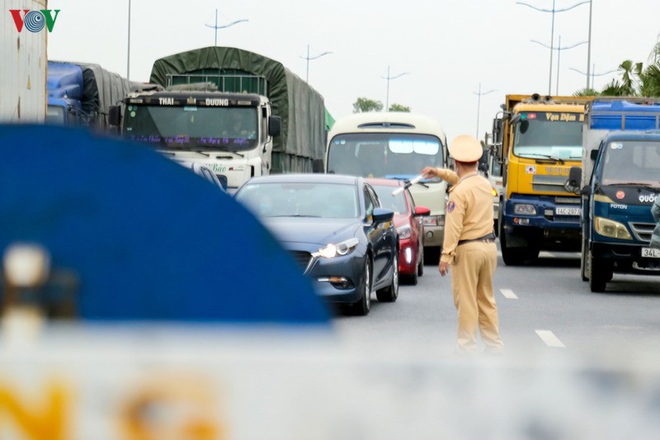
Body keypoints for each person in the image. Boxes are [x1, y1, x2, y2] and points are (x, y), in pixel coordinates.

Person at [421, 134, 504, 355]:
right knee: (486, 299)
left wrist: (445, 255)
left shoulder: (459, 192)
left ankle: (466, 348)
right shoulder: (485, 185)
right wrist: (438, 173)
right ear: (476, 162)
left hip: (468, 250)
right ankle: (494, 346)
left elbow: (454, 226)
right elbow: (459, 178)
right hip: (488, 249)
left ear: (456, 163)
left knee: (466, 301)